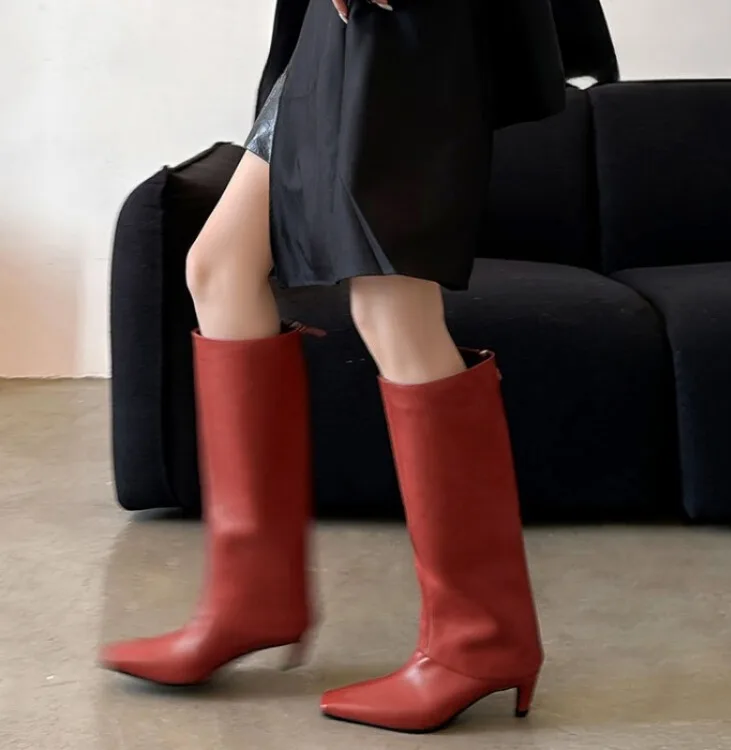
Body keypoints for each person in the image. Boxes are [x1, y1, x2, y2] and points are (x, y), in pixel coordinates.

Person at [100, 0, 575, 734]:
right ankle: (250, 600)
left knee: (390, 305)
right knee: (219, 268)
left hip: (406, 29)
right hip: (339, 31)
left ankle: (479, 641)